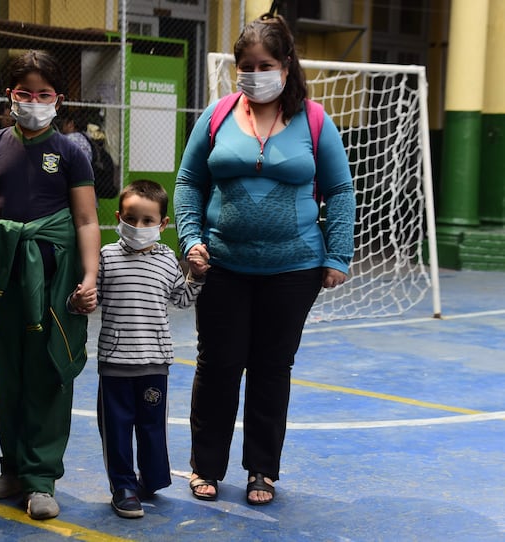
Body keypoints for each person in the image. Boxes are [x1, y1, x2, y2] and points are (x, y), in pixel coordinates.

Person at [173, 13, 355, 506]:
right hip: (222, 265)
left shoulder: (314, 120)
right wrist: (190, 238)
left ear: (286, 64)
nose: (255, 73)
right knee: (217, 366)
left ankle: (262, 471)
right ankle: (205, 466)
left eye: (265, 64)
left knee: (272, 368)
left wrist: (339, 253)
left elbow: (339, 190)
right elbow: (189, 182)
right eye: (246, 65)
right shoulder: (215, 116)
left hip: (294, 269)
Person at [0, 49, 100, 520]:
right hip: (0, 280)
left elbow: (86, 219)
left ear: (59, 99)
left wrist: (90, 277)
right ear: (9, 96)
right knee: (6, 373)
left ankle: (41, 479)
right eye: (24, 93)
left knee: (49, 373)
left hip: (54, 284)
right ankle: (12, 467)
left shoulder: (72, 152)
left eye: (44, 93)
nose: (34, 101)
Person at [70, 179, 204, 518]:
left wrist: (197, 277)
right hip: (116, 364)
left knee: (151, 425)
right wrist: (78, 300)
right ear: (118, 217)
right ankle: (124, 487)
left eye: (147, 221)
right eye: (131, 219)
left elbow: (181, 299)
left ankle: (153, 479)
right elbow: (88, 299)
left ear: (163, 224)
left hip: (155, 364)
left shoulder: (168, 262)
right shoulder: (106, 257)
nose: (138, 227)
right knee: (116, 430)